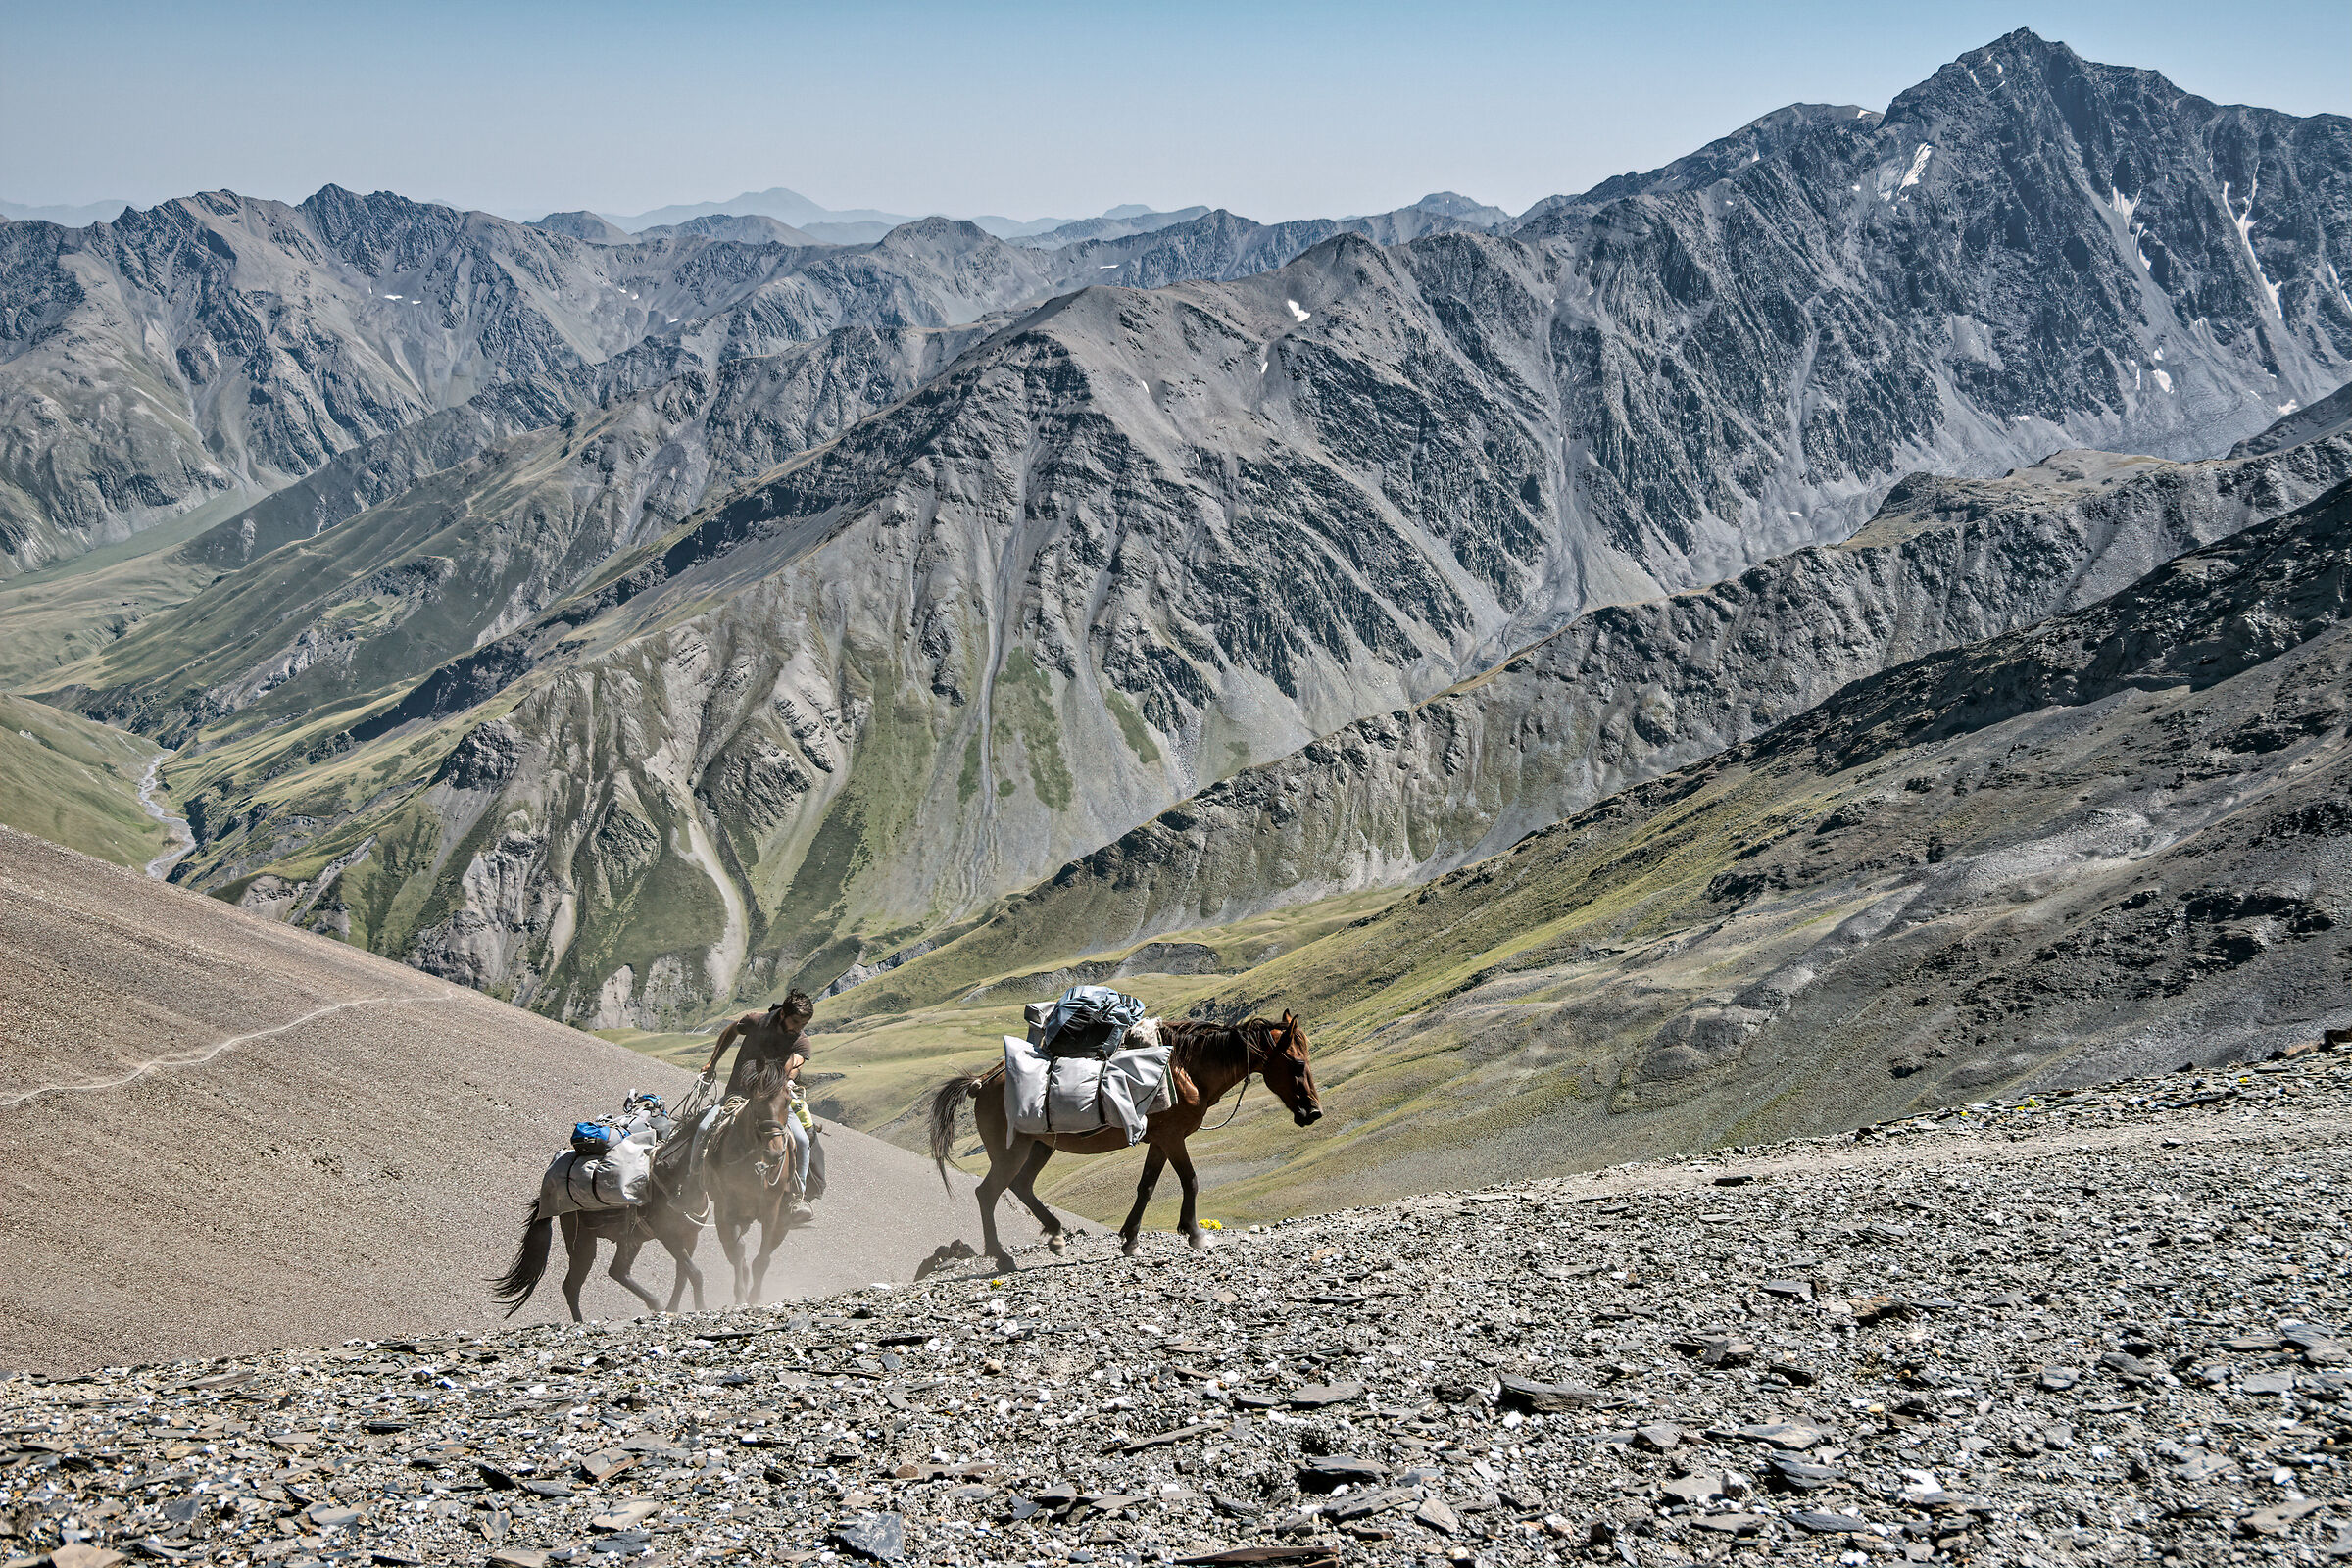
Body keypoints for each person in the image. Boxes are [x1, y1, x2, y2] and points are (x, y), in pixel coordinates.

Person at [701, 991, 819, 1220]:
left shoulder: (801, 1042)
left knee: (803, 1141)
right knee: (703, 1129)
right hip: (738, 1094)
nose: (798, 1028)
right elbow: (731, 1030)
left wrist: (792, 1067)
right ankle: (693, 1181)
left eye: (803, 1024)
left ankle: (797, 1198)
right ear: (783, 1013)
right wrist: (712, 1062)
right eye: (795, 1022)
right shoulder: (756, 1021)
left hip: (773, 1103)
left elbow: (797, 1063)